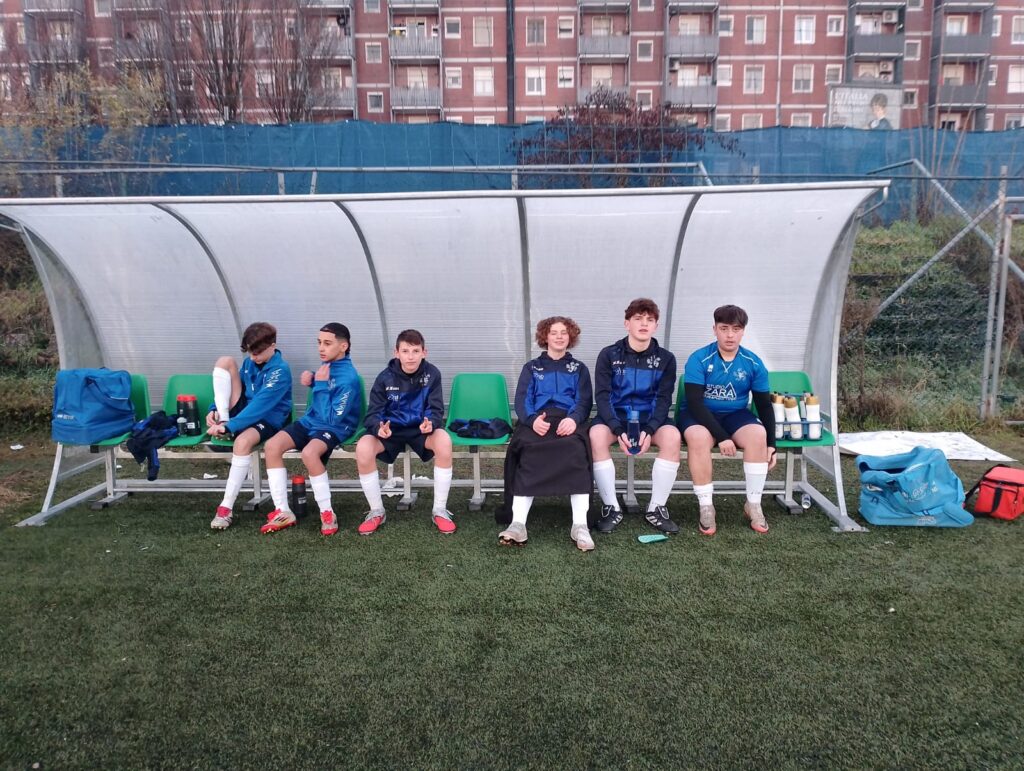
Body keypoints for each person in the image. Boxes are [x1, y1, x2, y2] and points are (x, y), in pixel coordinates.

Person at [677, 304, 777, 535]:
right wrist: (722, 437)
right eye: (724, 329)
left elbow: (764, 405)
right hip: (699, 414)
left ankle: (753, 504)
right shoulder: (699, 358)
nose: (730, 335)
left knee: (758, 434)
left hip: (735, 414)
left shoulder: (753, 362)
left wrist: (771, 444)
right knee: (698, 437)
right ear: (715, 329)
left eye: (736, 329)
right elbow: (695, 403)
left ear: (743, 331)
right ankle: (706, 506)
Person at [498, 316, 595, 551]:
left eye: (564, 332)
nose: (559, 337)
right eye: (554, 333)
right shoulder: (531, 367)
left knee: (576, 449)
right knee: (528, 450)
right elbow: (522, 400)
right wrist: (532, 421)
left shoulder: (579, 369)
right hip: (537, 422)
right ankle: (518, 524)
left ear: (571, 337)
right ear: (545, 337)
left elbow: (584, 401)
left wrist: (573, 420)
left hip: (568, 422)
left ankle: (580, 525)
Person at [260, 323, 362, 536]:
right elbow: (326, 386)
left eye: (327, 343)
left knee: (309, 453)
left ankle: (327, 513)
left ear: (343, 346)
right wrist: (313, 380)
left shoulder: (350, 378)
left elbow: (332, 417)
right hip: (310, 422)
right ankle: (283, 511)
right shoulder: (328, 367)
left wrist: (320, 384)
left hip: (336, 426)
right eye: (319, 342)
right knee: (272, 446)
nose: (321, 348)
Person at [590, 298, 682, 534]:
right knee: (596, 435)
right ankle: (611, 507)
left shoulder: (666, 358)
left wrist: (650, 429)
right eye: (638, 318)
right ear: (626, 323)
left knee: (672, 437)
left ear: (656, 326)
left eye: (649, 320)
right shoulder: (609, 355)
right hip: (616, 417)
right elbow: (602, 396)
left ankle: (656, 508)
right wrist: (617, 429)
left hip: (650, 418)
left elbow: (664, 399)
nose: (644, 324)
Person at [354, 329, 456, 535]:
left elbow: (436, 409)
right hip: (390, 431)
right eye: (405, 351)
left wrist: (431, 423)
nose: (410, 357)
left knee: (444, 440)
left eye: (415, 351)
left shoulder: (432, 374)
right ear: (396, 353)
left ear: (424, 352)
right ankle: (376, 511)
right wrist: (378, 428)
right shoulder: (384, 378)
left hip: (421, 430)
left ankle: (439, 510)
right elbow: (373, 414)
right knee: (363, 447)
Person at [208, 321, 293, 530]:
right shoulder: (249, 363)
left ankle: (225, 507)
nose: (253, 358)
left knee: (243, 442)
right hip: (245, 412)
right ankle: (223, 418)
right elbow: (235, 388)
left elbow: (261, 405)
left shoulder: (280, 370)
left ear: (273, 345)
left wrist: (230, 427)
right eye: (250, 353)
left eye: (258, 353)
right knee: (225, 361)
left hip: (269, 418)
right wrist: (215, 409)